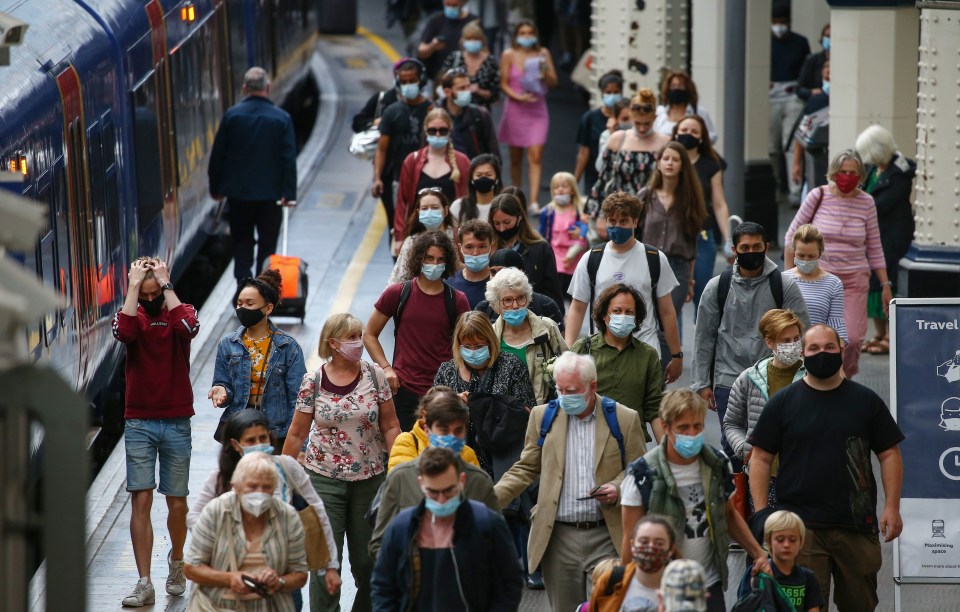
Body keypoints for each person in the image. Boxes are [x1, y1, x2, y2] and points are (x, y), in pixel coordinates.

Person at [748, 324, 905, 611]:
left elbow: (889, 454)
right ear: (803, 354)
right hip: (800, 530)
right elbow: (759, 458)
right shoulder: (783, 403)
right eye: (814, 349)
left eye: (829, 347)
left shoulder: (866, 401)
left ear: (842, 350)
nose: (822, 354)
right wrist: (761, 514)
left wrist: (892, 506)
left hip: (856, 527)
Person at [495, 352, 646, 612]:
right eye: (560, 389)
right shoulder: (542, 417)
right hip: (559, 537)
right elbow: (525, 468)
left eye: (572, 390)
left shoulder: (624, 419)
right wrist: (486, 500)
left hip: (607, 535)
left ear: (592, 386)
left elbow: (641, 471)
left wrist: (618, 487)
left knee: (607, 607)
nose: (565, 397)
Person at [280, 313, 399, 612]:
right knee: (324, 564)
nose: (358, 343)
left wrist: (398, 469)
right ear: (332, 343)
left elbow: (390, 426)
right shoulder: (314, 380)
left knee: (370, 562)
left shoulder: (375, 376)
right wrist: (282, 476)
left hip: (370, 480)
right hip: (322, 481)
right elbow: (297, 432)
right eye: (351, 338)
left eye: (360, 336)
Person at [620, 390, 770, 612]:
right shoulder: (642, 474)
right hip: (659, 588)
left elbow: (728, 515)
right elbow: (629, 538)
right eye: (683, 428)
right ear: (666, 427)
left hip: (707, 584)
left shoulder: (717, 464)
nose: (692, 434)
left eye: (697, 426)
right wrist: (623, 590)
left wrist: (759, 553)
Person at [187, 410, 341, 607]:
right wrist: (215, 537)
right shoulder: (220, 485)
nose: (258, 445)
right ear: (235, 445)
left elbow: (317, 511)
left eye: (262, 438)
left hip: (280, 570)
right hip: (228, 582)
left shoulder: (286, 471)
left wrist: (330, 565)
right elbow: (194, 522)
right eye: (250, 440)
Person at [113, 257, 198, 606]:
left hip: (177, 419)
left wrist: (166, 285)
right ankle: (144, 580)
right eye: (143, 293)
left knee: (177, 501)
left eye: (154, 293)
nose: (150, 299)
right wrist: (133, 287)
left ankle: (176, 561)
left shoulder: (181, 309)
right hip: (139, 421)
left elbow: (189, 329)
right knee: (141, 497)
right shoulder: (131, 314)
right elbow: (127, 333)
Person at [692, 221, 809, 469]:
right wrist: (702, 383)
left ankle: (768, 501)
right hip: (728, 378)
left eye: (757, 246)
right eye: (744, 247)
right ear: (734, 250)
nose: (751, 252)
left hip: (773, 377)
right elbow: (704, 336)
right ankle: (742, 501)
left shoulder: (783, 285)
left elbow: (803, 332)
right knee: (732, 445)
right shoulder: (717, 287)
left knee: (776, 444)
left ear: (767, 247)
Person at [371, 447, 524, 610]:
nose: (441, 500)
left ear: (462, 481)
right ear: (421, 484)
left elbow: (510, 581)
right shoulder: (401, 527)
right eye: (433, 493)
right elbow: (383, 586)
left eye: (449, 491)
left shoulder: (487, 523)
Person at [783, 149, 891, 378]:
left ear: (861, 175)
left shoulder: (866, 202)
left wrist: (885, 285)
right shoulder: (818, 196)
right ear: (833, 172)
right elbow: (791, 237)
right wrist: (788, 278)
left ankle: (843, 378)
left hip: (853, 280)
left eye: (853, 172)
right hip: (818, 280)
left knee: (850, 339)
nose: (847, 176)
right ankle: (811, 379)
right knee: (815, 338)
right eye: (843, 171)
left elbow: (874, 246)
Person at [566, 192, 684, 385]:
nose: (617, 226)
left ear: (635, 222)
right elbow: (577, 308)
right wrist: (569, 352)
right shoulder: (591, 259)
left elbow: (667, 311)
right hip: (600, 355)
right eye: (612, 221)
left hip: (645, 351)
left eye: (623, 221)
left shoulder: (654, 258)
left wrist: (676, 355)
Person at [365, 230, 471, 430]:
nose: (434, 264)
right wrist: (387, 368)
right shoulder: (397, 293)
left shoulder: (457, 300)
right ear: (418, 259)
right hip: (404, 391)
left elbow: (467, 346)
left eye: (440, 259)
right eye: (429, 258)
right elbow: (369, 335)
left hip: (443, 392)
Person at [371, 396, 500, 557]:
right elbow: (380, 543)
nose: (451, 438)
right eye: (444, 430)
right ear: (427, 428)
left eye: (458, 430)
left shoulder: (478, 477)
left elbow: (496, 538)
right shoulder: (402, 474)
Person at [184, 453, 308, 611]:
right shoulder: (216, 511)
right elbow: (191, 568)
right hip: (215, 606)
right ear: (236, 486)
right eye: (252, 486)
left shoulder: (288, 516)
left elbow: (300, 574)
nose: (260, 493)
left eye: (267, 487)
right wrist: (230, 578)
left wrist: (279, 581)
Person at [208, 67, 296, 285]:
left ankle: (242, 283)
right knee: (268, 244)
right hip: (271, 196)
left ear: (245, 88)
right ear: (267, 87)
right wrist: (289, 193)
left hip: (239, 196)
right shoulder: (282, 118)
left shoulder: (232, 116)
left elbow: (218, 156)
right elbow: (288, 159)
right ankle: (262, 286)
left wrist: (216, 189)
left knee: (241, 241)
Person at [209, 270, 307, 452]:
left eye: (249, 303)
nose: (242, 308)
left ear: (268, 308)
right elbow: (224, 386)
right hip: (239, 432)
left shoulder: (288, 347)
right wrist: (221, 391)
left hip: (276, 434)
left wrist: (299, 445)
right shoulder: (227, 344)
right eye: (239, 303)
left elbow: (299, 399)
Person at [722, 309, 805, 513]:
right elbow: (731, 423)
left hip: (803, 476)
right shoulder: (749, 379)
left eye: (796, 339)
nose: (793, 345)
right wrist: (747, 450)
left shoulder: (811, 377)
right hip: (763, 478)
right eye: (785, 341)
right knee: (767, 536)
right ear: (770, 343)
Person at [433, 311, 536, 467]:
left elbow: (529, 412)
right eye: (466, 346)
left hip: (505, 456)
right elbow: (432, 415)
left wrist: (495, 406)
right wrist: (452, 403)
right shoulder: (447, 371)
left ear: (491, 341)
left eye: (479, 346)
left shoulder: (511, 365)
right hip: (460, 457)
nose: (473, 351)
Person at [571, 283, 664, 444]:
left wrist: (667, 453)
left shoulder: (647, 355)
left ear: (636, 318)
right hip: (588, 440)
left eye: (629, 312)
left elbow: (654, 408)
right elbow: (564, 398)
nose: (623, 316)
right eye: (617, 311)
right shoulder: (583, 349)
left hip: (631, 443)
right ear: (604, 315)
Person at [856, 124, 917, 355]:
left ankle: (891, 337)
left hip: (892, 236)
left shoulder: (899, 173)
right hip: (875, 235)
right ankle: (879, 333)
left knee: (888, 283)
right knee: (873, 285)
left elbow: (882, 204)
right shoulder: (876, 169)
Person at [639, 141, 707, 341]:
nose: (669, 163)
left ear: (682, 166)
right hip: (647, 265)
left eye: (675, 159)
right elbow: (634, 233)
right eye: (665, 158)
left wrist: (691, 280)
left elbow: (692, 244)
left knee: (666, 322)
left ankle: (664, 368)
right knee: (645, 320)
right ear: (658, 163)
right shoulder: (646, 195)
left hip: (678, 268)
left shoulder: (690, 200)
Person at [672, 115, 734, 315]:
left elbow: (718, 203)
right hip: (672, 236)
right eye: (684, 130)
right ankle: (674, 347)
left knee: (703, 295)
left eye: (694, 132)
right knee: (673, 297)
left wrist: (728, 238)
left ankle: (704, 344)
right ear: (675, 133)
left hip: (702, 235)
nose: (688, 135)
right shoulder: (668, 160)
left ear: (702, 138)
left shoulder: (711, 164)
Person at [498, 20, 558, 209]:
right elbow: (503, 83)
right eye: (522, 33)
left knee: (536, 155)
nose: (526, 36)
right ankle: (516, 196)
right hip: (516, 108)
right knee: (516, 157)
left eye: (529, 32)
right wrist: (518, 97)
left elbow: (553, 81)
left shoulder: (543, 53)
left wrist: (545, 71)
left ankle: (533, 201)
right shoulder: (508, 54)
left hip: (537, 108)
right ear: (517, 35)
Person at [486, 266, 567, 404]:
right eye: (507, 300)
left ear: (528, 299)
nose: (516, 305)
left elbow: (568, 366)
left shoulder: (548, 327)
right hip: (506, 417)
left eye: (520, 298)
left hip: (544, 412)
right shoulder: (491, 336)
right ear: (496, 306)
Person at [393, 108, 471, 249]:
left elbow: (468, 203)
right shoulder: (412, 161)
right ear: (425, 130)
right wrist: (399, 237)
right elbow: (402, 202)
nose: (437, 134)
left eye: (442, 130)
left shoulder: (462, 162)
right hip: (417, 236)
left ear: (449, 130)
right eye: (432, 130)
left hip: (452, 237)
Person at [373, 58, 432, 234]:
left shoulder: (431, 110)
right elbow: (382, 149)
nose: (408, 85)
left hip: (425, 177)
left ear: (420, 80)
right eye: (404, 82)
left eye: (412, 81)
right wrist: (377, 178)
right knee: (396, 226)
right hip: (396, 178)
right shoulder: (392, 112)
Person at [590, 89, 671, 214]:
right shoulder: (618, 139)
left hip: (655, 212)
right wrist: (601, 216)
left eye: (647, 123)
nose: (642, 128)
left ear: (654, 118)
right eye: (637, 123)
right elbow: (604, 179)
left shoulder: (666, 142)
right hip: (621, 213)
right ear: (631, 117)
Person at [489, 192, 566, 312]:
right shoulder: (489, 250)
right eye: (497, 223)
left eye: (507, 222)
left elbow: (554, 296)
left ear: (519, 217)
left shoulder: (541, 249)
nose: (502, 228)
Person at [737, 511, 824, 611]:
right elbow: (745, 605)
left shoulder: (808, 578)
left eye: (792, 540)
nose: (786, 545)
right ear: (768, 541)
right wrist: (757, 581)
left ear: (801, 543)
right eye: (780, 539)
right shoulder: (757, 571)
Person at [588, 516, 678, 612]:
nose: (651, 547)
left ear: (671, 549)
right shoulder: (611, 580)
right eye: (644, 542)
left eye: (659, 543)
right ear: (632, 544)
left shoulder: (681, 586)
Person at [769, 2, 810, 205]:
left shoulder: (800, 43)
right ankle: (775, 187)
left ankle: (795, 189)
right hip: (770, 96)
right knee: (772, 147)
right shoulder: (763, 42)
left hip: (793, 95)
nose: (779, 26)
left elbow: (805, 71)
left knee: (791, 144)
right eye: (775, 22)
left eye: (783, 22)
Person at [387, 386, 482, 470]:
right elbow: (402, 483)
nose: (451, 436)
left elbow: (476, 487)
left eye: (458, 430)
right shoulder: (407, 441)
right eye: (444, 430)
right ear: (425, 415)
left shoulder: (467, 453)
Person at [474, 248, 565, 331]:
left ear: (520, 272)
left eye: (503, 272)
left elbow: (560, 346)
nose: (497, 277)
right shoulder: (483, 310)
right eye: (493, 273)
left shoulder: (546, 305)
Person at [784, 224, 847, 340]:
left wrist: (838, 349)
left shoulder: (833, 283)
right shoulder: (783, 280)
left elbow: (836, 323)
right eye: (801, 255)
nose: (806, 260)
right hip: (789, 347)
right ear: (794, 253)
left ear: (820, 254)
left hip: (819, 346)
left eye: (811, 256)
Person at [387, 189, 456, 286]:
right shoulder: (412, 242)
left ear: (445, 210)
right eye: (424, 208)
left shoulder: (458, 237)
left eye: (435, 207)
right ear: (418, 212)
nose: (429, 212)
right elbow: (398, 279)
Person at [539, 171, 590, 295]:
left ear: (573, 190)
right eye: (556, 187)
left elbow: (588, 229)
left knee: (574, 289)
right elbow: (542, 234)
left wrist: (582, 232)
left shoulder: (579, 209)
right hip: (555, 254)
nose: (560, 190)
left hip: (575, 254)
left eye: (564, 186)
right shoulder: (548, 211)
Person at [575, 70, 625, 193]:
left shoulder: (625, 118)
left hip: (621, 177)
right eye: (608, 92)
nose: (612, 96)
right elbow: (583, 152)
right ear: (602, 93)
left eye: (616, 92)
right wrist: (574, 181)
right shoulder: (589, 118)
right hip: (594, 176)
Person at [436, 68, 500, 160]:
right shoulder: (434, 116)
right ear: (447, 92)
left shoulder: (480, 115)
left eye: (468, 86)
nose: (467, 91)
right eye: (462, 88)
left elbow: (494, 152)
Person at [790, 60, 831, 197]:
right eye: (826, 69)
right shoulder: (816, 101)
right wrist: (796, 164)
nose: (829, 74)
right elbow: (802, 134)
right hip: (817, 161)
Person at [439, 20, 501, 108]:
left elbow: (495, 93)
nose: (472, 42)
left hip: (480, 111)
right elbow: (442, 82)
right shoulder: (454, 58)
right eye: (469, 39)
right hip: (454, 108)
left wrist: (478, 91)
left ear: (482, 40)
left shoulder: (490, 62)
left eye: (476, 39)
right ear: (463, 40)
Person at [417, 0, 478, 80]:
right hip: (438, 77)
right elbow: (421, 51)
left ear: (463, 3)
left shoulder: (473, 22)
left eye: (454, 5)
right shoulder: (436, 21)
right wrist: (432, 46)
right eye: (447, 4)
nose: (451, 8)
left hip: (465, 78)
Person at [652, 71, 717, 142]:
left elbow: (712, 135)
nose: (676, 89)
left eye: (680, 86)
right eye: (673, 86)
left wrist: (695, 141)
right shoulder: (660, 111)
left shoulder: (698, 111)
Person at [445, 219, 494, 307]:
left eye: (482, 246)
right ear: (460, 248)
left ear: (491, 247)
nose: (475, 252)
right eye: (469, 247)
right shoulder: (448, 284)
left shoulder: (500, 283)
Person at [450, 153, 502, 223]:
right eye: (478, 175)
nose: (483, 178)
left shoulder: (503, 206)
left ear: (497, 178)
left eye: (488, 175)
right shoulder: (458, 206)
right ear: (471, 179)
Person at [595, 99, 633, 172]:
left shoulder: (639, 135)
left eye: (633, 118)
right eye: (625, 119)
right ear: (615, 119)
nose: (630, 122)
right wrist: (612, 136)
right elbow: (599, 166)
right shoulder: (606, 135)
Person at [796, 23, 830, 102]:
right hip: (816, 102)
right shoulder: (812, 60)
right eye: (827, 36)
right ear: (821, 39)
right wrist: (811, 92)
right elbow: (799, 89)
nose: (830, 40)